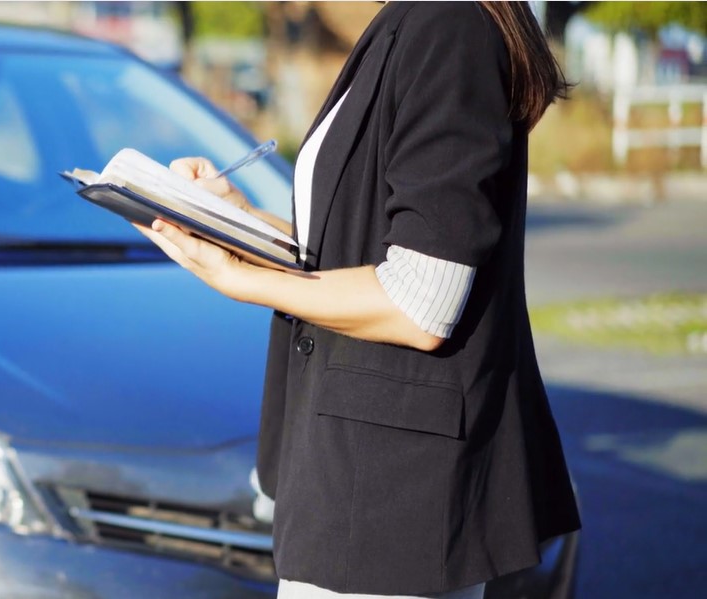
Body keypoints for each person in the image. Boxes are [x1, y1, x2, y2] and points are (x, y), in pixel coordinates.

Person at [134, 3, 580, 598]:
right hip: (360, 493)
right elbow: (356, 243)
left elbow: (422, 299)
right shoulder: (415, 21)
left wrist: (237, 280)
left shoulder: (447, 26)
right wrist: (234, 219)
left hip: (390, 502)